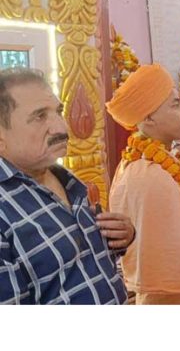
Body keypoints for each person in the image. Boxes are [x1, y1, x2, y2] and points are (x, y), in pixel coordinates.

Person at [0, 67, 134, 304]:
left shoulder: (70, 181)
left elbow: (84, 260)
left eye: (58, 112)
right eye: (40, 116)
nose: (61, 128)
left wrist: (123, 237)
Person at [106, 64, 180, 305]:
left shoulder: (161, 160)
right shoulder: (148, 175)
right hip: (178, 298)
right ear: (148, 117)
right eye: (176, 104)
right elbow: (177, 256)